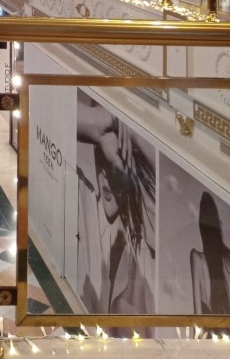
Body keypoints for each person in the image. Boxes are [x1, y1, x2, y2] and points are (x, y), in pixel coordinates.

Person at [76, 98, 155, 333]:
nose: (108, 176)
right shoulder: (85, 202)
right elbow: (43, 101)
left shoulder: (142, 245)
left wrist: (113, 124)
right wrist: (105, 122)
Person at [190, 191, 230, 333]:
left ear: (202, 226)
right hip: (222, 332)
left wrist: (194, 344)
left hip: (207, 334)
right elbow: (228, 307)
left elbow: (197, 312)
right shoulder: (223, 260)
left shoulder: (196, 257)